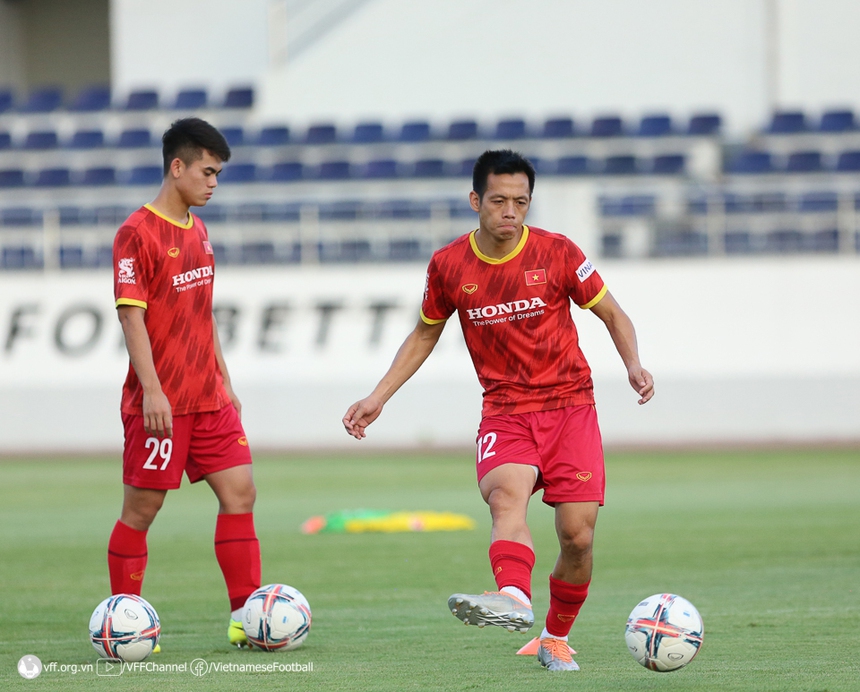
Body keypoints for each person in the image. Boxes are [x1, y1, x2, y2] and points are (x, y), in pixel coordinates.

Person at [343, 149, 654, 672]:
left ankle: (554, 638)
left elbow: (613, 313)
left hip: (570, 407)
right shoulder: (449, 265)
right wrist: (378, 397)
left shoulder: (558, 253)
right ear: (475, 201)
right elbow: (424, 333)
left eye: (521, 202)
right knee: (506, 496)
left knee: (577, 536)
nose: (511, 212)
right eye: (499, 201)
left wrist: (634, 365)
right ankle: (513, 596)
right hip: (505, 411)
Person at [109, 117, 260, 649]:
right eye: (208, 172)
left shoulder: (198, 229)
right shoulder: (136, 233)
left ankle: (248, 618)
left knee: (241, 493)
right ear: (178, 168)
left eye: (217, 174)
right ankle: (121, 620)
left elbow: (204, 313)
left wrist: (225, 379)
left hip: (210, 400)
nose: (214, 182)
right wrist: (152, 389)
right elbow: (132, 317)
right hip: (162, 405)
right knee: (142, 511)